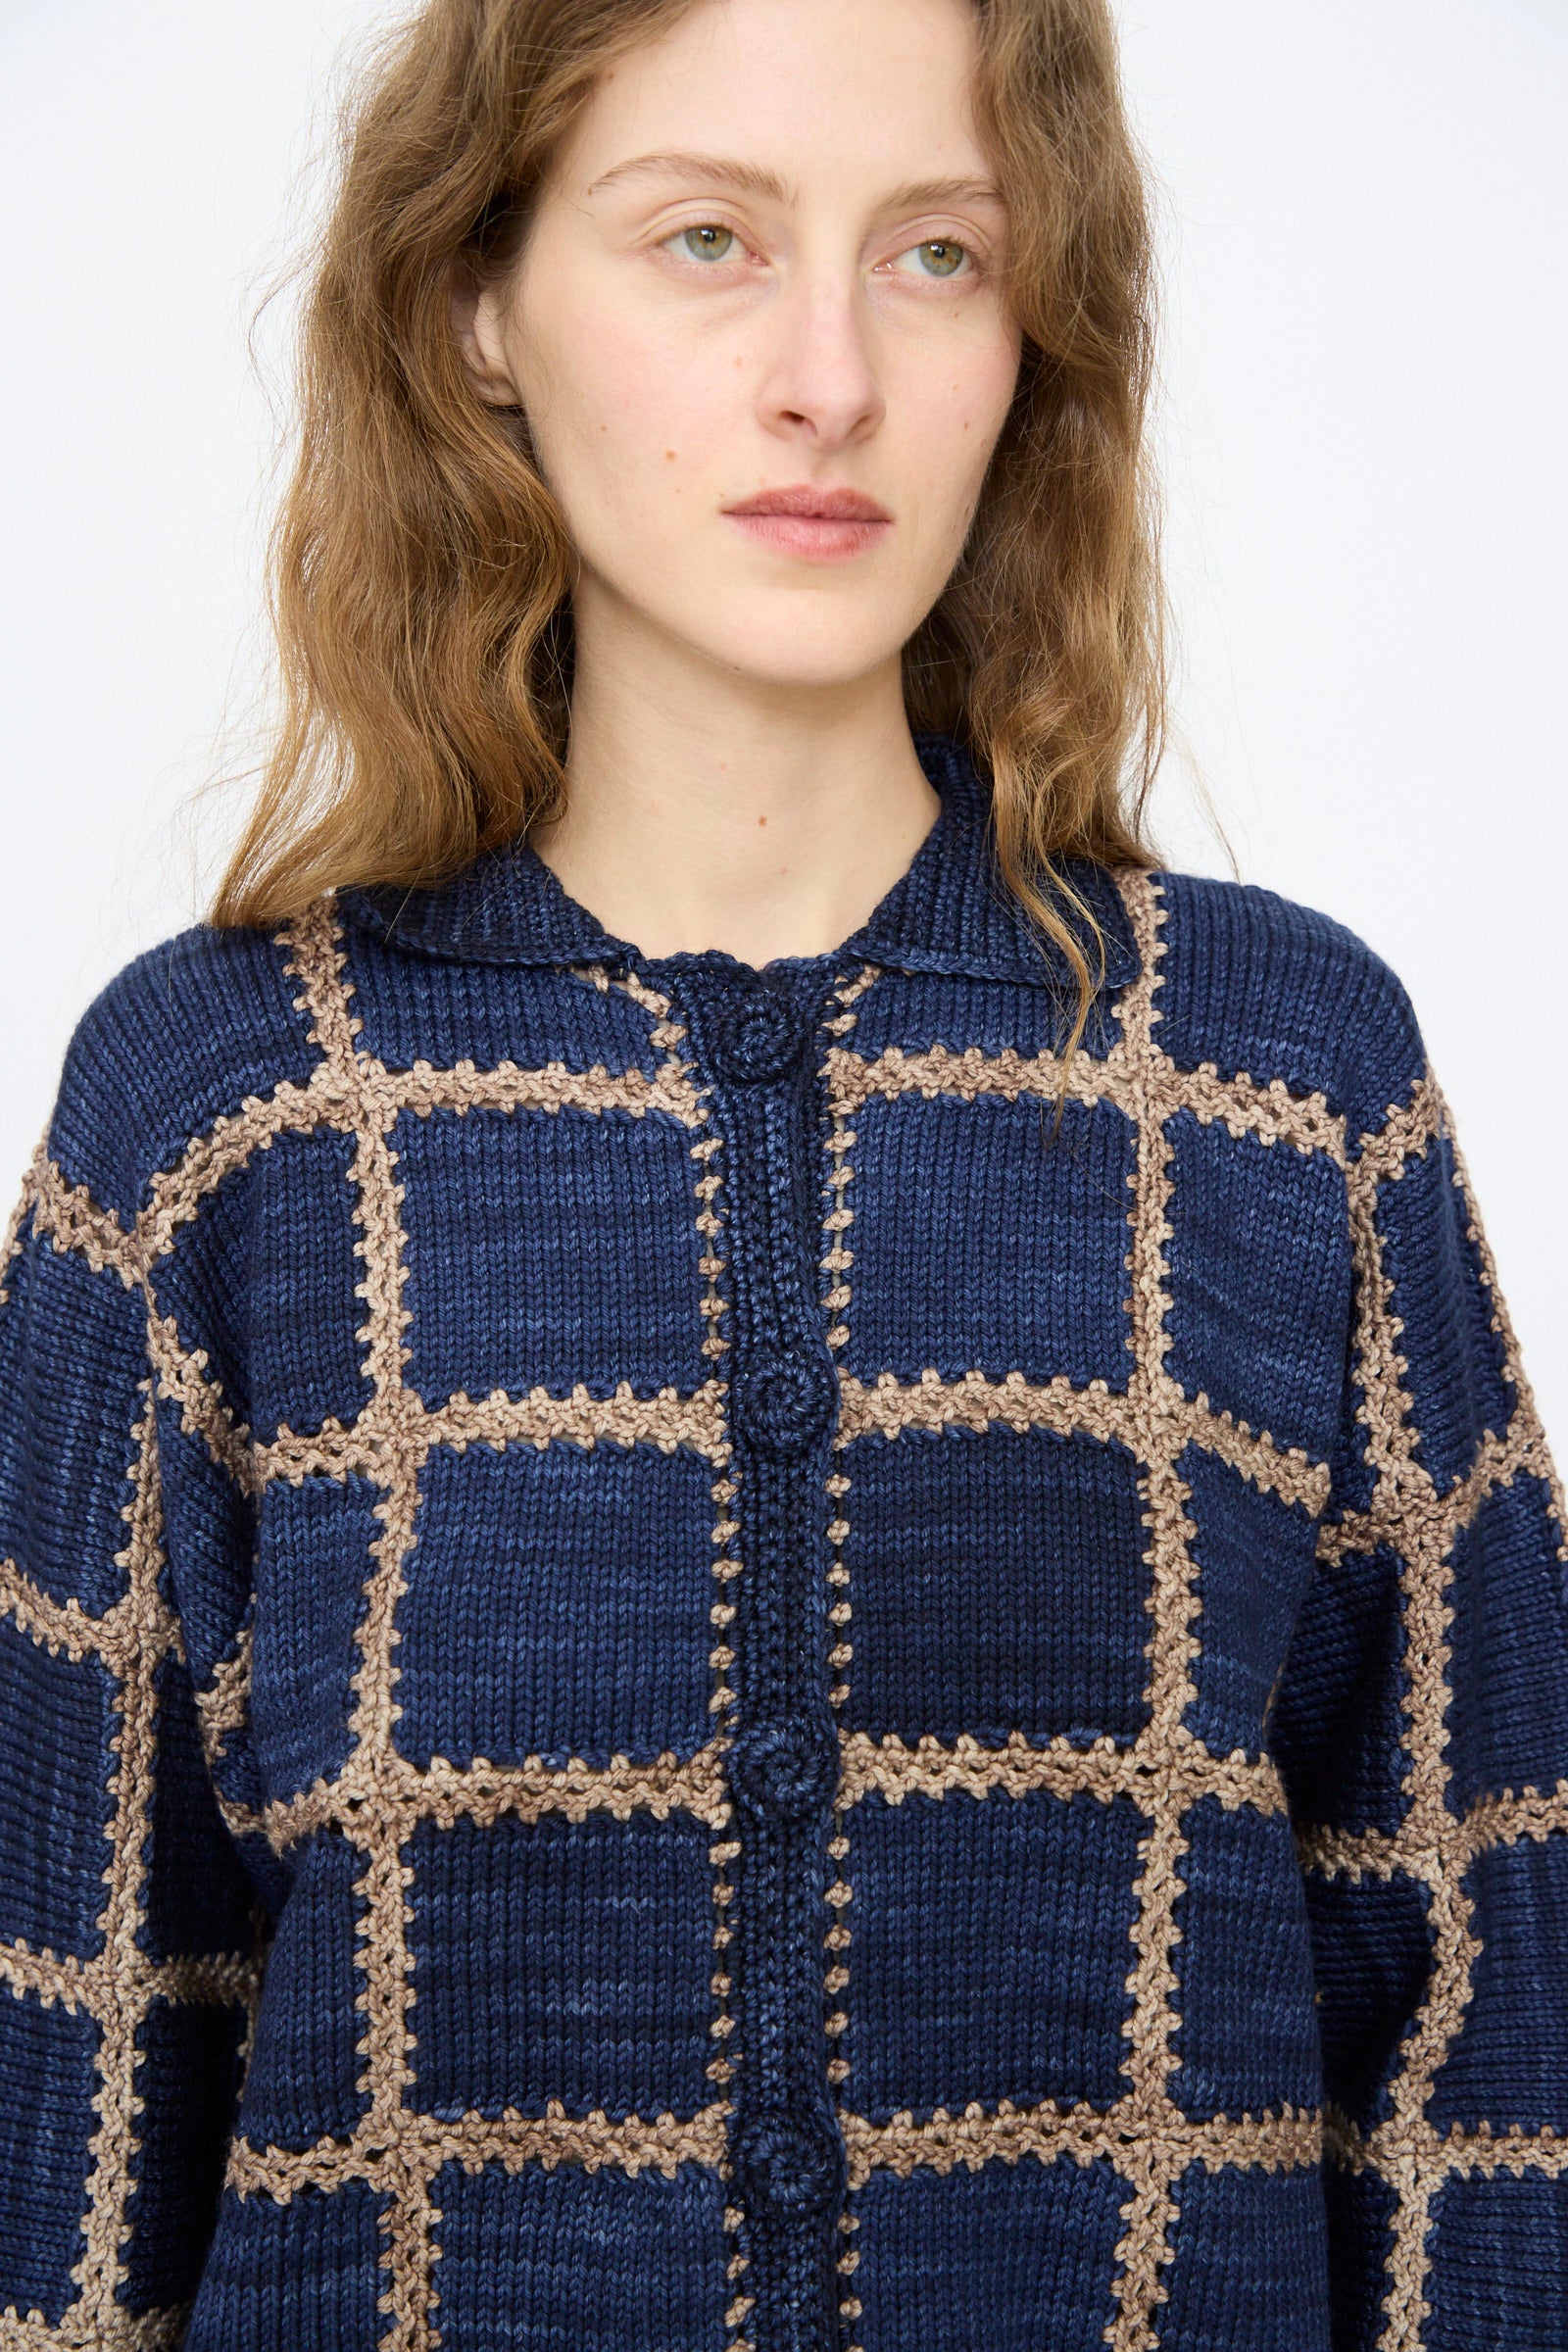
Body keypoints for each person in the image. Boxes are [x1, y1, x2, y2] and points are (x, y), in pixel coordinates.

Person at [1, 0, 1563, 2344]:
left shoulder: (1273, 1084)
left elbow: (1486, 2020)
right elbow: (72, 2067)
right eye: (706, 239)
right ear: (475, 307)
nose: (826, 376)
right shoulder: (225, 1106)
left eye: (936, 255)